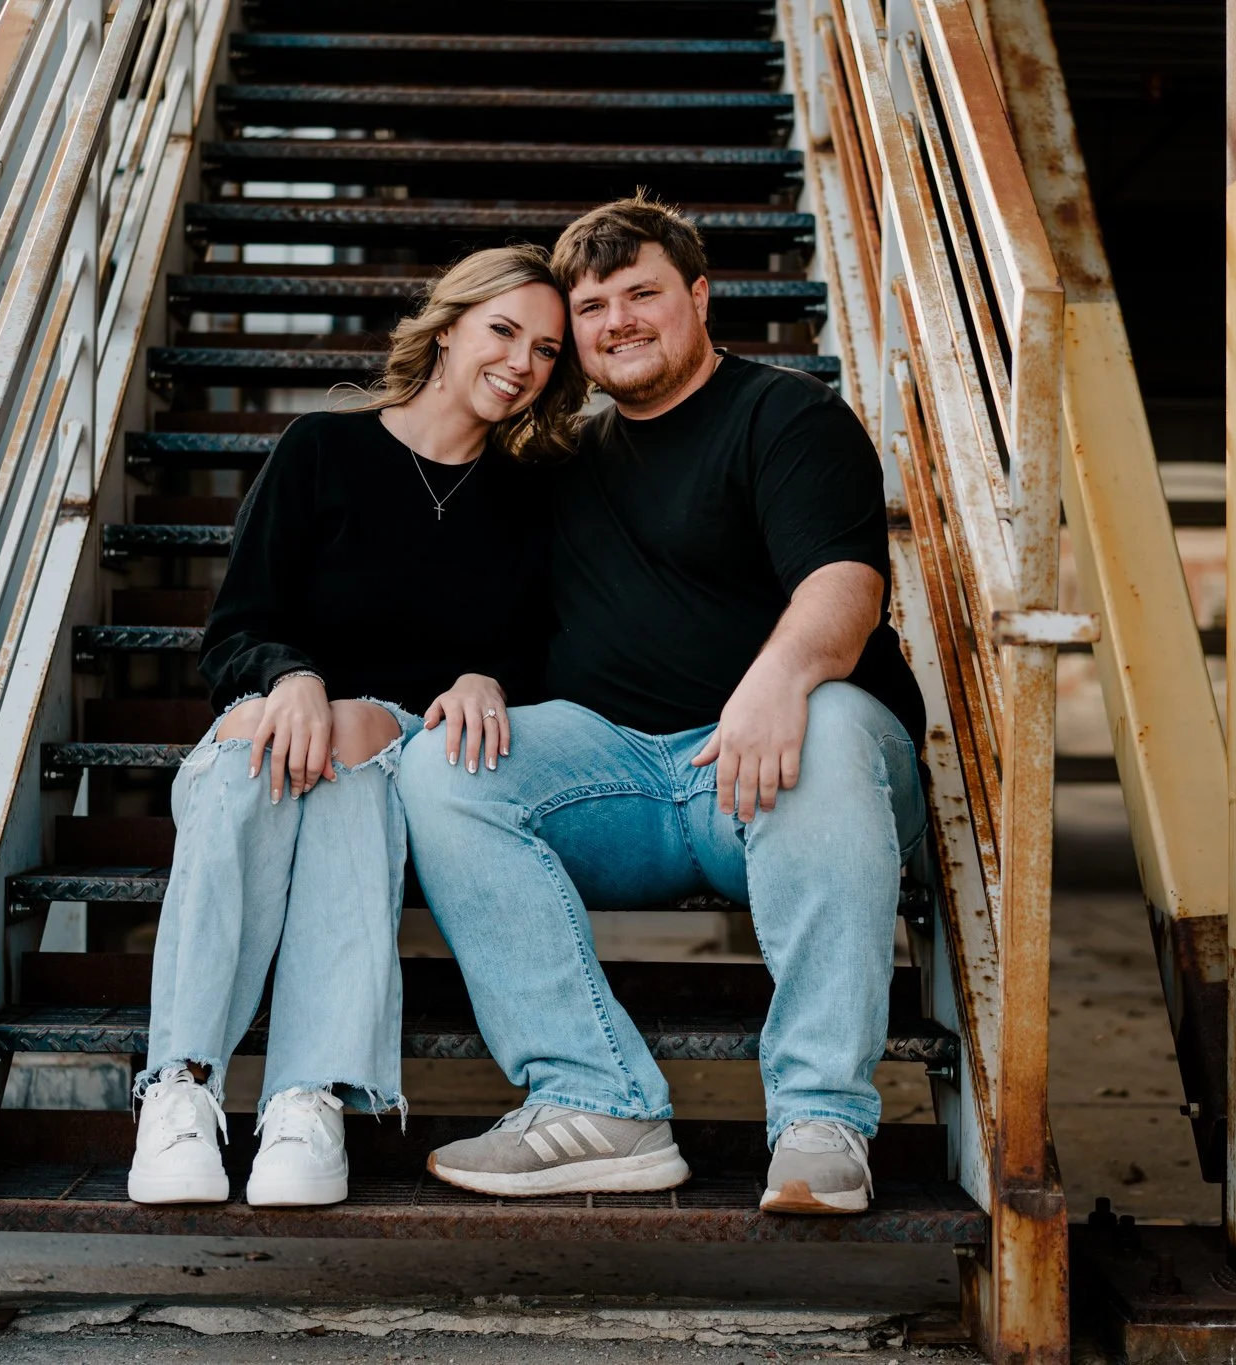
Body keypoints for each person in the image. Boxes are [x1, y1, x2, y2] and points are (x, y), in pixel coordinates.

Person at [400, 196, 929, 1215]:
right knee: (442, 763)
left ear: (696, 295)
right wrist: (474, 678)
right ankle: (597, 1100)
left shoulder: (787, 416)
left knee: (822, 725)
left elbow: (843, 588)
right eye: (592, 305)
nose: (617, 320)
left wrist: (776, 681)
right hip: (621, 779)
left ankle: (820, 1120)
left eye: (641, 292)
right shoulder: (562, 462)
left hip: (786, 782)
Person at [127, 246, 583, 1208]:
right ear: (449, 325)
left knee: (355, 762)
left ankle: (305, 1097)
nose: (522, 362)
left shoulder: (535, 501)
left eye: (546, 349)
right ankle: (180, 1088)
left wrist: (482, 679)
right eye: (503, 331)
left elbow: (546, 655)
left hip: (413, 754)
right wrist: (290, 676)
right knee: (265, 755)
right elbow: (235, 630)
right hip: (278, 731)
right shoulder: (320, 450)